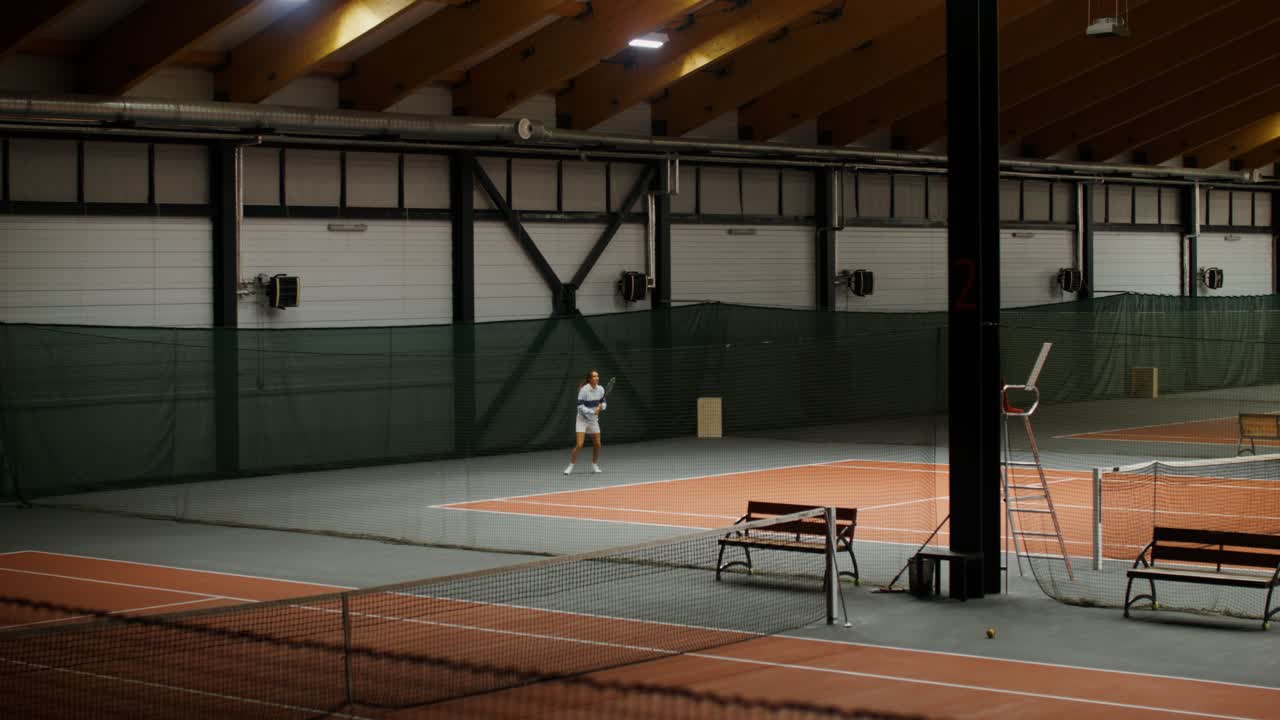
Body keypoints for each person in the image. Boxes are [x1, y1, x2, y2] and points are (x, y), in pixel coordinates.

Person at [565, 369, 606, 475]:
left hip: (593, 421)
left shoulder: (601, 389)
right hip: (582, 420)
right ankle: (571, 465)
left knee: (597, 444)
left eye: (598, 376)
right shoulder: (584, 390)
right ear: (589, 379)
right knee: (579, 444)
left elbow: (604, 402)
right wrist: (592, 411)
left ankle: (594, 465)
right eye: (594, 376)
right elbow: (580, 407)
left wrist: (601, 407)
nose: (597, 378)